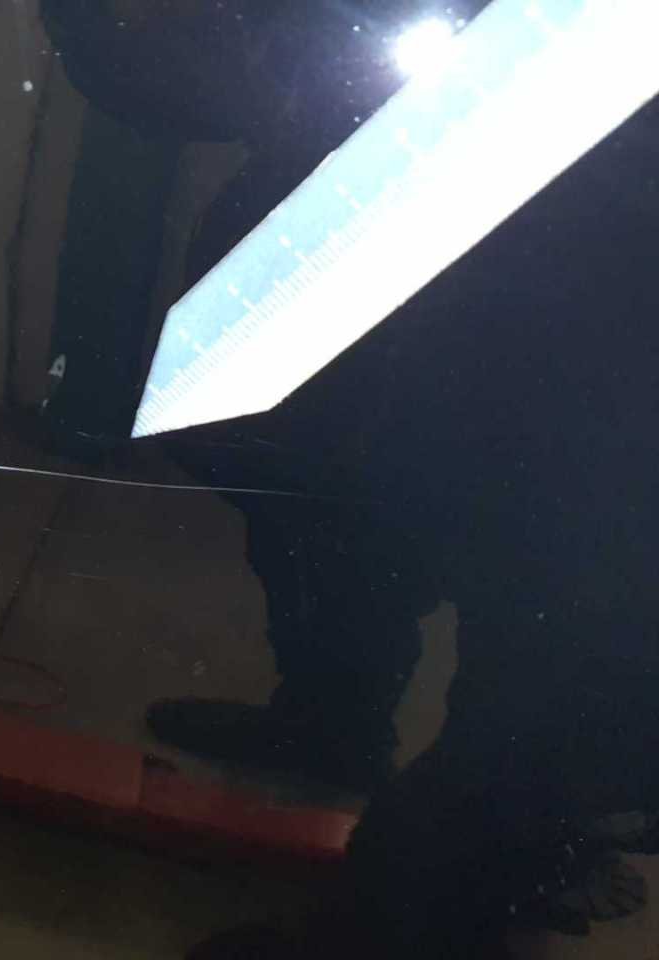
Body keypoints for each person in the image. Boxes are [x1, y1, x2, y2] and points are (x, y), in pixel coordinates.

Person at [41, 1, 659, 955]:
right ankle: (340, 723)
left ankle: (489, 864)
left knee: (554, 610)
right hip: (439, 197)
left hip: (579, 243)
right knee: (293, 457)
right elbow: (207, 81)